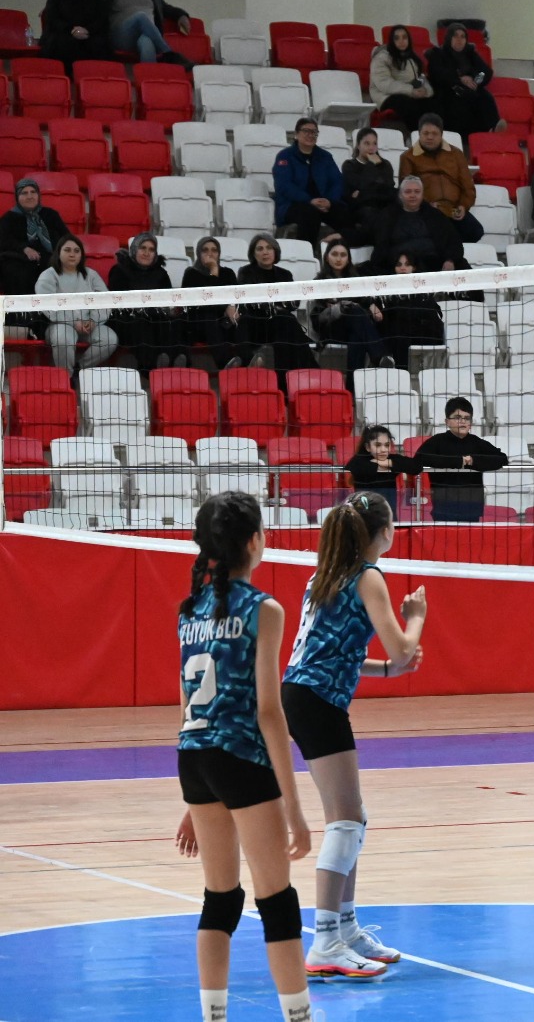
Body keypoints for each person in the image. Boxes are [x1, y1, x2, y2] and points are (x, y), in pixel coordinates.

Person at [174, 491, 314, 1022]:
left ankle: (213, 1016)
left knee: (221, 897)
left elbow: (187, 705)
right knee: (277, 902)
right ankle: (299, 1016)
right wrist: (295, 810)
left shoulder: (188, 611)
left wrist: (195, 800)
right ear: (254, 541)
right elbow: (270, 713)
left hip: (195, 759)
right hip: (240, 758)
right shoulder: (264, 610)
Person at [281, 491, 426, 978]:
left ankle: (345, 928)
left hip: (304, 695)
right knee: (345, 822)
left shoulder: (326, 574)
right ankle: (325, 941)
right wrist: (416, 616)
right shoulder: (368, 576)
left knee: (353, 817)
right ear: (384, 532)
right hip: (317, 701)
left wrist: (386, 670)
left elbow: (334, 653)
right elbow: (403, 648)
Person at [238, 233, 317, 384]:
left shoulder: (285, 274)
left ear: (275, 251)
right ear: (253, 254)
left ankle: (284, 381)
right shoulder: (246, 272)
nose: (265, 252)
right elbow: (249, 301)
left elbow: (294, 302)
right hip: (256, 325)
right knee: (287, 321)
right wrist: (277, 306)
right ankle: (310, 369)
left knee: (284, 326)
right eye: (260, 249)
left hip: (279, 325)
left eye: (269, 248)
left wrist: (276, 306)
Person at [415, 398, 508, 522]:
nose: (463, 421)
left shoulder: (477, 442)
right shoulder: (437, 441)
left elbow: (502, 458)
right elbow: (419, 459)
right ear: (447, 421)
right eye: (457, 417)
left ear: (471, 423)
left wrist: (473, 461)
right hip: (444, 508)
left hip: (471, 508)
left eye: (467, 418)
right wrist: (459, 461)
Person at [35, 235, 116, 374]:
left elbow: (105, 300)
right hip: (59, 324)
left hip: (89, 325)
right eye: (67, 250)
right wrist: (74, 321)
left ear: (81, 255)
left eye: (76, 251)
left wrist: (93, 320)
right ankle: (66, 376)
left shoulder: (91, 275)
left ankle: (79, 369)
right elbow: (47, 306)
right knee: (63, 339)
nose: (72, 254)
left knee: (110, 339)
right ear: (58, 252)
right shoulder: (48, 275)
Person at [107, 231, 187, 371]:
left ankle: (176, 359)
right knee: (141, 322)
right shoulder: (119, 270)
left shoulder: (160, 273)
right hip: (127, 320)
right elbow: (118, 302)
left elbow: (168, 299)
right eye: (143, 248)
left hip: (155, 317)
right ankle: (150, 367)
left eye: (151, 249)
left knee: (175, 321)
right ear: (134, 249)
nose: (147, 253)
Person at [399, 114, 483, 244]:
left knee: (475, 231)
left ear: (441, 135)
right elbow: (406, 190)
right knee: (441, 233)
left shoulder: (456, 154)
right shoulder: (408, 157)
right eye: (426, 133)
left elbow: (468, 187)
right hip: (427, 211)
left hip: (453, 209)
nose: (430, 137)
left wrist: (463, 206)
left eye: (434, 133)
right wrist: (426, 206)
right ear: (419, 134)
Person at [99, 0, 193, 68]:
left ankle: (150, 76)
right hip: (120, 36)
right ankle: (168, 53)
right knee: (141, 17)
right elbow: (91, 2)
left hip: (145, 34)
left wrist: (181, 15)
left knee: (147, 42)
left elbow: (165, 8)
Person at [311, 241, 387, 374]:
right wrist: (338, 309)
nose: (338, 259)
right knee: (354, 311)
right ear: (327, 257)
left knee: (357, 338)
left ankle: (352, 384)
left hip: (354, 329)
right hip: (332, 331)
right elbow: (316, 320)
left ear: (348, 259)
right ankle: (379, 356)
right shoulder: (319, 282)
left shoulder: (355, 280)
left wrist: (371, 304)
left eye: (343, 255)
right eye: (334, 254)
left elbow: (364, 300)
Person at [274, 119, 348, 246]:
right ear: (296, 134)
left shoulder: (325, 156)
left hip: (323, 204)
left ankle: (340, 251)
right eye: (306, 131)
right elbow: (284, 185)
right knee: (309, 214)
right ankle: (308, 252)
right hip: (293, 205)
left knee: (344, 213)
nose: (310, 135)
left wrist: (329, 201)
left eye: (314, 132)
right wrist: (309, 200)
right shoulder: (285, 156)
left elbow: (337, 181)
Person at [369, 176, 464, 274]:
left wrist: (450, 260)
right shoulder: (387, 216)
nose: (413, 195)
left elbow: (453, 241)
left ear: (422, 195)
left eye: (417, 192)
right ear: (400, 195)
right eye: (408, 192)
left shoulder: (435, 215)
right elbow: (379, 244)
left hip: (433, 265)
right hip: (398, 265)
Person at [366, 252, 443, 369]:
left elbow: (434, 317)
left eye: (407, 264)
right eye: (399, 264)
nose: (403, 268)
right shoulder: (384, 292)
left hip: (419, 336)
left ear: (414, 268)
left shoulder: (424, 293)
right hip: (394, 338)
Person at [183, 236, 249, 370]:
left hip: (225, 322)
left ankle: (248, 360)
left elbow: (236, 297)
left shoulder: (228, 273)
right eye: (205, 250)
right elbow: (206, 300)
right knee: (209, 315)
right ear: (198, 253)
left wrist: (232, 306)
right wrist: (213, 270)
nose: (210, 254)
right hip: (200, 324)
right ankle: (225, 363)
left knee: (243, 318)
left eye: (214, 250)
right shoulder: (191, 273)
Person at [424, 23, 501, 138]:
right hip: (448, 89)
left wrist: (475, 80)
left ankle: (493, 130)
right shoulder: (438, 54)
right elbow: (437, 73)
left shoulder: (470, 53)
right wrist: (459, 79)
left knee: (486, 97)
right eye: (455, 36)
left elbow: (485, 72)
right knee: (459, 103)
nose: (459, 39)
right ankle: (464, 138)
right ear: (449, 38)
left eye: (462, 36)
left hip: (471, 87)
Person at [2, 178, 72, 299]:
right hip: (19, 261)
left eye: (33, 192)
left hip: (50, 259)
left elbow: (67, 238)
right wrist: (24, 248)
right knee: (17, 272)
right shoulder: (9, 218)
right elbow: (4, 241)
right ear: (17, 197)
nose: (30, 196)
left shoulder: (51, 214)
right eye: (24, 193)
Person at [41, 0, 111, 73]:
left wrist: (88, 30)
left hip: (89, 34)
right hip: (64, 34)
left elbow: (101, 19)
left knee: (99, 44)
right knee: (64, 44)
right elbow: (52, 18)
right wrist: (72, 30)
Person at [369, 26, 434, 134]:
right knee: (408, 105)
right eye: (397, 38)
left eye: (404, 37)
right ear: (391, 40)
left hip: (408, 92)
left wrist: (426, 91)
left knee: (432, 103)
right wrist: (411, 91)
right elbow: (384, 83)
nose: (401, 41)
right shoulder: (381, 57)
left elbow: (420, 77)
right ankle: (416, 136)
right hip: (385, 95)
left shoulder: (411, 57)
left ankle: (432, 136)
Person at [340, 128, 397, 249]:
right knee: (374, 216)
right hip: (361, 209)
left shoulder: (385, 165)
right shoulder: (349, 165)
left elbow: (388, 189)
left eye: (374, 143)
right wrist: (371, 164)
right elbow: (360, 186)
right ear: (358, 145)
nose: (371, 147)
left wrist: (364, 193)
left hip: (384, 205)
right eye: (367, 143)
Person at [344, 426, 423, 512]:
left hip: (388, 513)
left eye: (387, 445)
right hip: (364, 513)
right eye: (378, 445)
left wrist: (388, 463)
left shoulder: (392, 459)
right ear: (368, 447)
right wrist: (381, 466)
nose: (383, 450)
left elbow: (417, 467)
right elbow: (353, 466)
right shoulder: (359, 460)